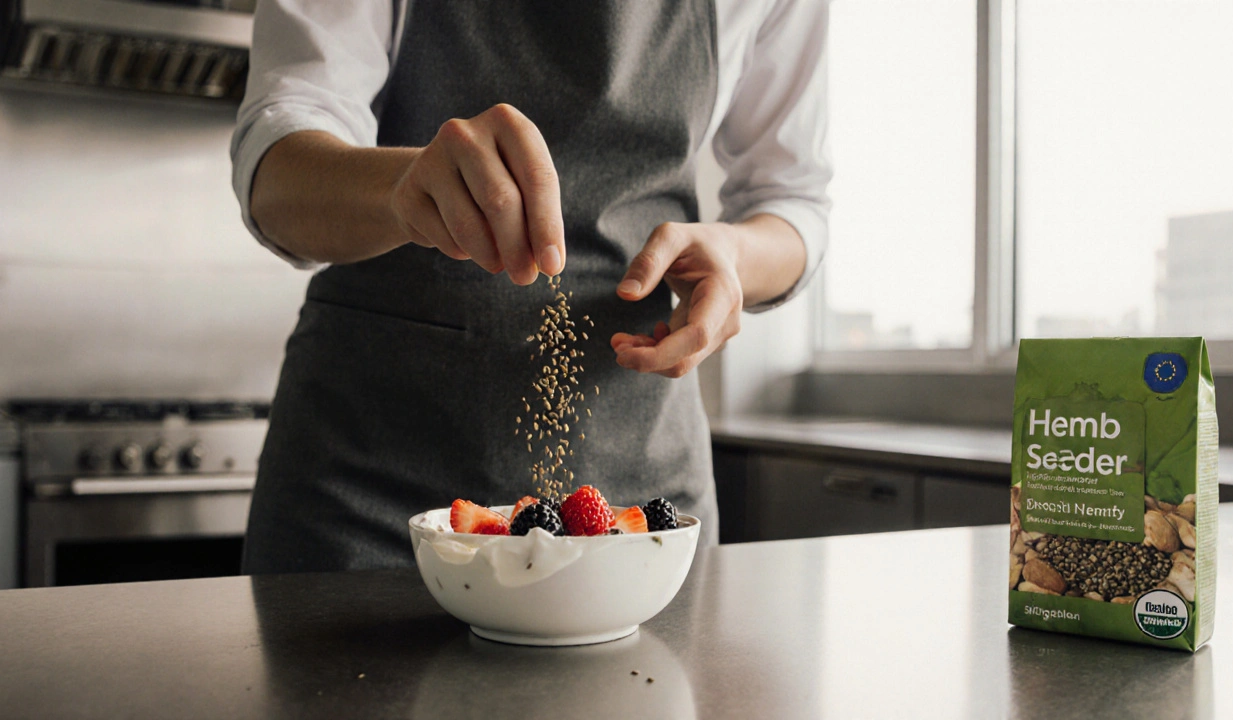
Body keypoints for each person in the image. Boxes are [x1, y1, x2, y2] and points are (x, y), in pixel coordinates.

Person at [231, 0, 831, 573]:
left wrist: (735, 256)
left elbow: (792, 199)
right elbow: (277, 171)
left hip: (638, 491)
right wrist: (404, 187)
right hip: (368, 485)